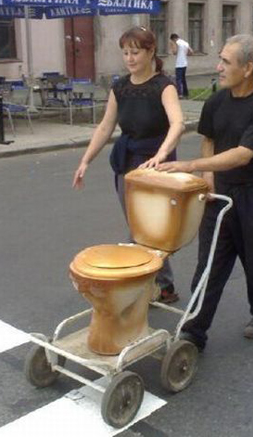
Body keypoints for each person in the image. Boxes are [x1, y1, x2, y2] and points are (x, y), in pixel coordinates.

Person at [156, 34, 253, 350]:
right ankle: (193, 332)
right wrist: (207, 176)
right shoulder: (216, 101)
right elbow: (210, 139)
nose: (219, 67)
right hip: (218, 196)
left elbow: (242, 154)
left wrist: (190, 166)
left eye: (226, 61)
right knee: (209, 264)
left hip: (251, 195)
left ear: (248, 68)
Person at [72, 26, 185, 303]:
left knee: (154, 228)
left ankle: (151, 282)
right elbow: (105, 127)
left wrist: (161, 154)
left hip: (157, 166)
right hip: (128, 163)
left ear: (150, 52)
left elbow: (178, 123)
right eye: (125, 53)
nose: (130, 58)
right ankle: (157, 283)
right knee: (138, 228)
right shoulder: (120, 88)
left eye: (135, 52)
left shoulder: (164, 85)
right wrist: (85, 160)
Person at [169, 34, 193, 98]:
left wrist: (172, 46)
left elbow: (175, 52)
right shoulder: (185, 43)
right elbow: (191, 52)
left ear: (173, 39)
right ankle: (186, 93)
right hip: (184, 63)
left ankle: (180, 94)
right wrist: (185, 54)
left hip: (179, 64)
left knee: (178, 79)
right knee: (183, 79)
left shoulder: (176, 43)